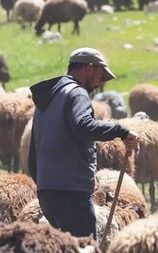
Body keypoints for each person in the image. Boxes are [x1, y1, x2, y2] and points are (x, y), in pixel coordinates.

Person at [28, 47, 139, 240]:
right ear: (89, 69)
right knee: (85, 247)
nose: (99, 83)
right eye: (100, 74)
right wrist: (120, 131)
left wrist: (45, 184)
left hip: (48, 193)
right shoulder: (77, 94)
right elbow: (83, 126)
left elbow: (33, 152)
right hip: (71, 194)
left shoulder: (49, 98)